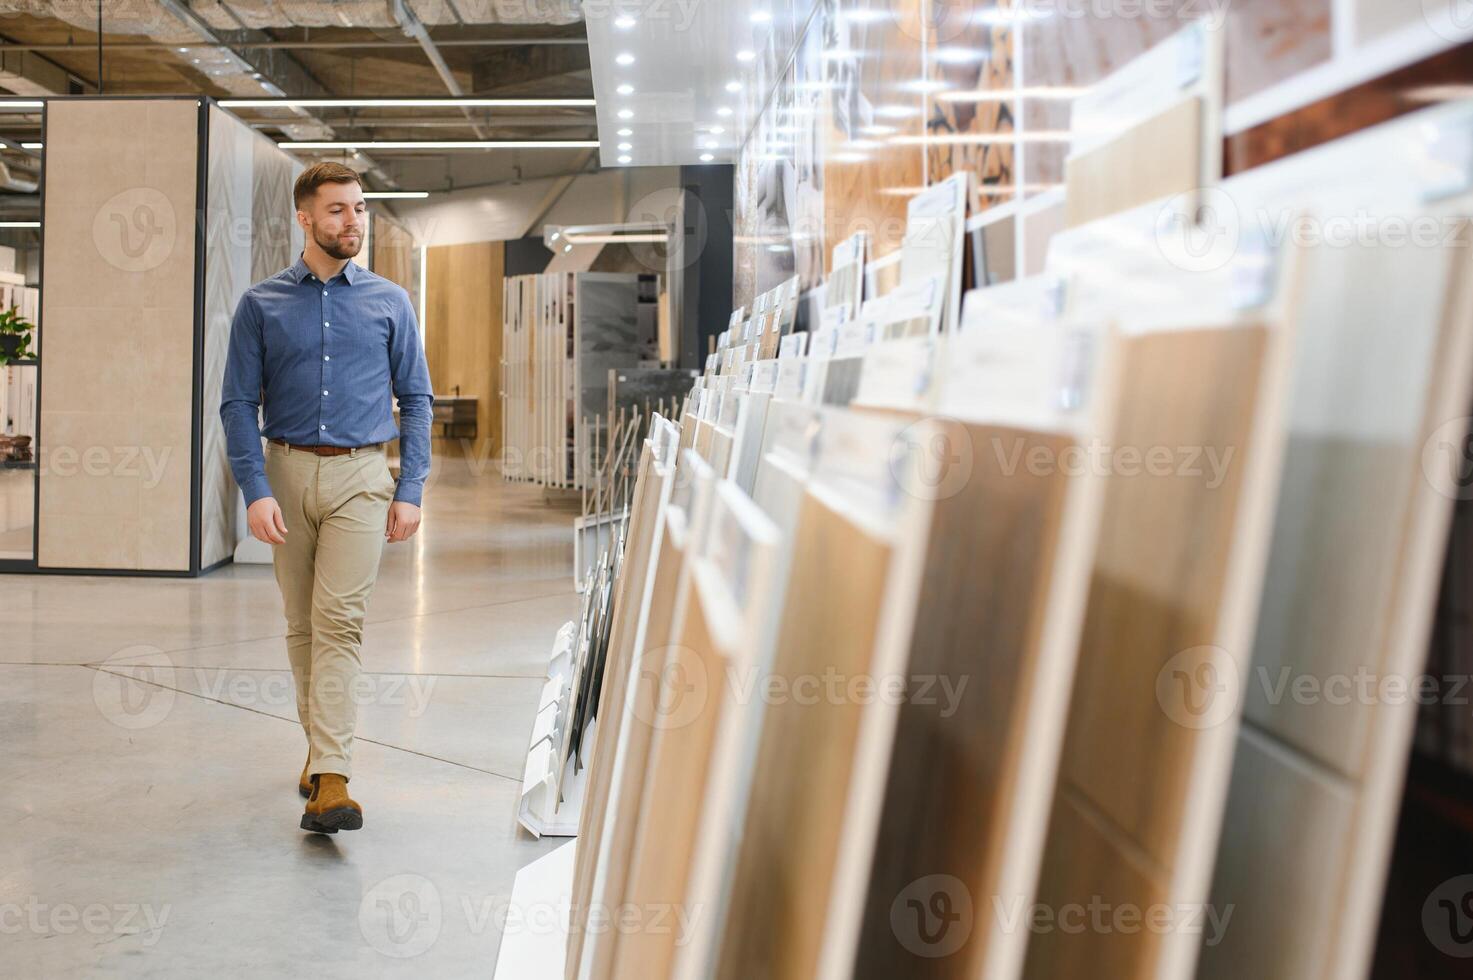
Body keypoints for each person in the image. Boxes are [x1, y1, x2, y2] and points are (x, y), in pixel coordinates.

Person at [220, 162, 433, 834]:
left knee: (339, 621)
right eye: (338, 210)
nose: (354, 222)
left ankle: (333, 778)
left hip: (362, 479)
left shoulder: (390, 302)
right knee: (302, 626)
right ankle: (319, 754)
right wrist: (254, 490)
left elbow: (417, 399)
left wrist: (411, 489)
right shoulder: (261, 305)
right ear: (305, 219)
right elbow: (235, 404)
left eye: (360, 208)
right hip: (284, 473)